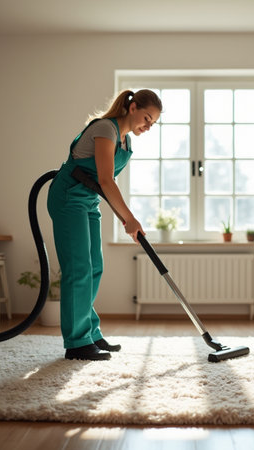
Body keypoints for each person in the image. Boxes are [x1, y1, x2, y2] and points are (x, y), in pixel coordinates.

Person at [48, 89, 162, 361]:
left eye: (153, 123)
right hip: (68, 198)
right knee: (78, 268)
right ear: (132, 107)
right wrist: (129, 218)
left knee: (94, 266)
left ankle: (90, 332)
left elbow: (102, 185)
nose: (148, 126)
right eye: (147, 118)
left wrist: (127, 218)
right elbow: (106, 180)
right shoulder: (105, 128)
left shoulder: (125, 141)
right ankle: (77, 343)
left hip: (88, 202)